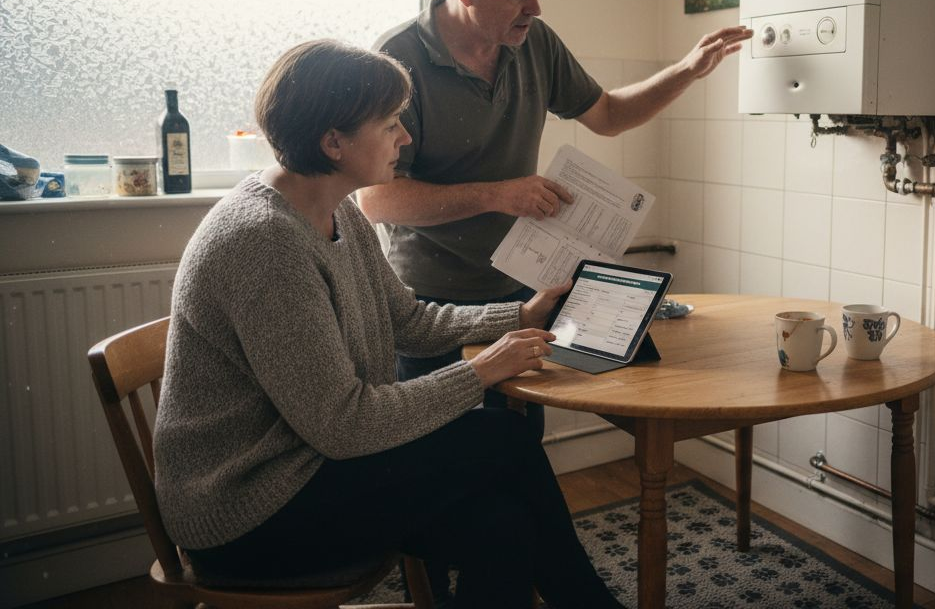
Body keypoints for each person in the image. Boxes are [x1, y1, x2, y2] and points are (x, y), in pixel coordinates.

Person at [152, 39, 622, 609]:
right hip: (250, 513)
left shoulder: (336, 208)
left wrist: (517, 316)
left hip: (309, 466)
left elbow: (409, 320)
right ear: (333, 143)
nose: (405, 138)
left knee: (503, 524)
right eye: (391, 124)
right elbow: (344, 424)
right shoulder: (264, 243)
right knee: (503, 439)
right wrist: (481, 374)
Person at [359, 0, 752, 392]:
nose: (536, 7)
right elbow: (376, 200)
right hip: (432, 306)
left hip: (523, 293)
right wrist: (498, 194)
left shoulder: (535, 42)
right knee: (442, 455)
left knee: (520, 442)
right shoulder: (397, 59)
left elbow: (607, 115)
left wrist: (687, 71)